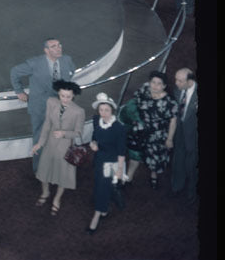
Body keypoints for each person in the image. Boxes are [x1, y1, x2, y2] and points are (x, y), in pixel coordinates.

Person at [10, 38, 75, 171]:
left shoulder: (66, 60)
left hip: (61, 106)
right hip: (40, 107)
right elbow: (15, 72)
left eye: (59, 45)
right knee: (39, 138)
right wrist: (19, 91)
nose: (58, 48)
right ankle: (39, 169)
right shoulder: (34, 63)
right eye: (53, 46)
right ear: (46, 51)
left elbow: (71, 72)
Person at [31, 80, 85, 215]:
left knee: (63, 175)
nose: (65, 99)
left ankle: (57, 199)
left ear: (73, 96)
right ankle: (45, 192)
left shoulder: (78, 111)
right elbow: (47, 124)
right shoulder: (51, 102)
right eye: (62, 96)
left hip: (65, 147)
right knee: (44, 170)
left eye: (68, 96)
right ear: (58, 94)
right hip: (50, 144)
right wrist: (40, 143)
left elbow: (78, 132)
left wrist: (64, 133)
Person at [124, 71, 178, 189]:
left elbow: (173, 121)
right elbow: (135, 101)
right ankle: (128, 178)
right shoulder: (144, 90)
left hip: (157, 135)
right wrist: (135, 118)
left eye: (159, 84)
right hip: (141, 130)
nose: (155, 86)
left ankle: (153, 177)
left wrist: (169, 139)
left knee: (155, 159)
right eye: (153, 82)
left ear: (164, 86)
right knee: (135, 155)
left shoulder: (170, 102)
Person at [86, 93, 127, 233]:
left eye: (106, 110)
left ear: (112, 110)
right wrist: (93, 144)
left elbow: (121, 151)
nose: (103, 113)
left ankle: (96, 215)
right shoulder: (96, 119)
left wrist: (120, 169)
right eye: (101, 110)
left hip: (111, 162)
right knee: (99, 184)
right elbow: (94, 136)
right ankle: (104, 207)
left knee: (102, 186)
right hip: (99, 158)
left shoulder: (119, 128)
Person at [170, 68, 197, 202]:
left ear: (190, 81)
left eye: (180, 81)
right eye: (176, 79)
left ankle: (192, 192)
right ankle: (177, 186)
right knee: (178, 159)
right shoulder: (178, 90)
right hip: (179, 130)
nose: (176, 83)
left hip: (194, 134)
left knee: (192, 164)